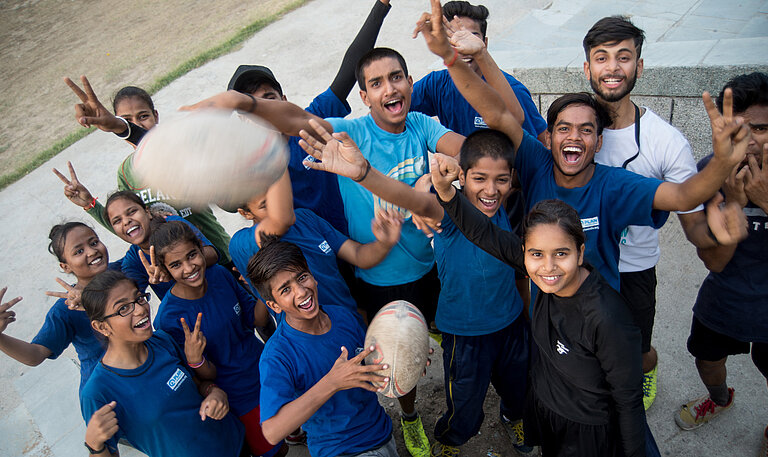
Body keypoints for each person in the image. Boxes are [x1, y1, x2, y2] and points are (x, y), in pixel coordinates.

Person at [181, 45, 467, 457]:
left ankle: (407, 406)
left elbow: (470, 154)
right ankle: (401, 419)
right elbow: (295, 127)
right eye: (375, 82)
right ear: (363, 96)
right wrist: (242, 110)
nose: (389, 87)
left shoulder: (418, 127)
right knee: (356, 374)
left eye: (397, 77)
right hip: (362, 293)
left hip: (401, 281)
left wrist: (443, 174)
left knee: (413, 350)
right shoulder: (342, 140)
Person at [414, 0, 750, 295]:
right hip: (547, 306)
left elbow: (682, 197)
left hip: (601, 307)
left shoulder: (613, 182)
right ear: (549, 136)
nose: (573, 137)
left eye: (586, 130)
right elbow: (499, 113)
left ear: (599, 142)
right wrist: (450, 57)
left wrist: (722, 162)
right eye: (563, 129)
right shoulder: (538, 162)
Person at [299, 122, 532, 455]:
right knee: (464, 403)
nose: (491, 190)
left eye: (502, 180)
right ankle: (451, 439)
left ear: (513, 179)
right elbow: (415, 200)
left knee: (517, 387)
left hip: (510, 325)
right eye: (480, 179)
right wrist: (364, 173)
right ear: (462, 178)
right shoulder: (452, 214)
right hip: (464, 335)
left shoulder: (513, 206)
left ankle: (513, 417)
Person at [582, 15, 722, 410]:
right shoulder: (571, 127)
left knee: (638, 349)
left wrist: (720, 235)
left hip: (635, 269)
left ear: (639, 67)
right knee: (588, 347)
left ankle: (648, 371)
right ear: (587, 68)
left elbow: (693, 225)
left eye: (623, 57)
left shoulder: (667, 142)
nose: (612, 67)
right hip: (583, 264)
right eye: (601, 57)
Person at [227, 0, 392, 236]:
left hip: (362, 239)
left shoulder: (310, 121)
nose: (264, 109)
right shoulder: (250, 166)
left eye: (268, 97)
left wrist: (381, 5)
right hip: (314, 263)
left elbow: (349, 69)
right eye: (252, 106)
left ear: (285, 100)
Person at [676, 73, 768, 453]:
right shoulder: (709, 172)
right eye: (738, 129)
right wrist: (732, 201)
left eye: (760, 128)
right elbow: (714, 262)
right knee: (707, 360)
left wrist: (764, 200)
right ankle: (720, 398)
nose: (749, 140)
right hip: (725, 300)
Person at [61, 80, 236, 270]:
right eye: (127, 120)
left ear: (156, 116)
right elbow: (129, 227)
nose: (137, 124)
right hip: (179, 269)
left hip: (220, 256)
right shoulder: (126, 173)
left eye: (143, 116)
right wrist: (90, 205)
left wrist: (121, 127)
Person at [248, 239, 397, 457]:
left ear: (312, 276)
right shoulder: (277, 355)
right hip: (340, 450)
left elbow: (371, 363)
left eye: (302, 277)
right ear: (274, 305)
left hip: (381, 431)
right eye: (285, 289)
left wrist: (405, 356)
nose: (300, 291)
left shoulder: (342, 315)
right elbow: (272, 432)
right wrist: (332, 382)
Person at [149, 221, 282, 457]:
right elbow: (203, 379)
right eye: (176, 264)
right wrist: (195, 359)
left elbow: (256, 320)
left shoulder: (220, 274)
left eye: (192, 255)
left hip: (269, 372)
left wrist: (264, 286)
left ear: (202, 249)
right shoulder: (169, 319)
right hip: (240, 398)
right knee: (273, 451)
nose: (189, 268)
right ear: (166, 270)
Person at [79, 270, 246, 457]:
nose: (141, 309)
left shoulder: (163, 341)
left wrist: (215, 392)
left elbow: (199, 385)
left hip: (236, 443)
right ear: (101, 326)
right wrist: (95, 445)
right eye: (123, 309)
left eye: (139, 298)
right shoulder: (98, 392)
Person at [230, 170, 402, 316]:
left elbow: (358, 255)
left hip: (349, 319)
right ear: (246, 214)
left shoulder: (306, 217)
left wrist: (384, 243)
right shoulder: (242, 243)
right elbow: (282, 219)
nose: (279, 206)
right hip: (313, 340)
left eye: (278, 198)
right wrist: (275, 152)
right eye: (266, 205)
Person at [54, 165, 219, 300]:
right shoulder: (134, 260)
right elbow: (128, 295)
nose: (126, 221)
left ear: (147, 212)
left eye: (131, 212)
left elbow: (213, 253)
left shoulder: (173, 224)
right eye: (117, 221)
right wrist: (86, 298)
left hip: (220, 290)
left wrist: (172, 268)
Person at [0, 222, 109, 404]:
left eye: (94, 242)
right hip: (106, 391)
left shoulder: (122, 272)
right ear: (65, 267)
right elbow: (35, 355)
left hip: (142, 369)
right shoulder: (65, 309)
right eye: (78, 251)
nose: (91, 251)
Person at [411, 1, 546, 141]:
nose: (462, 46)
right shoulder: (435, 84)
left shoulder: (513, 91)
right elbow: (390, 112)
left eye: (471, 37)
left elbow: (540, 145)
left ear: (484, 43)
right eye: (452, 38)